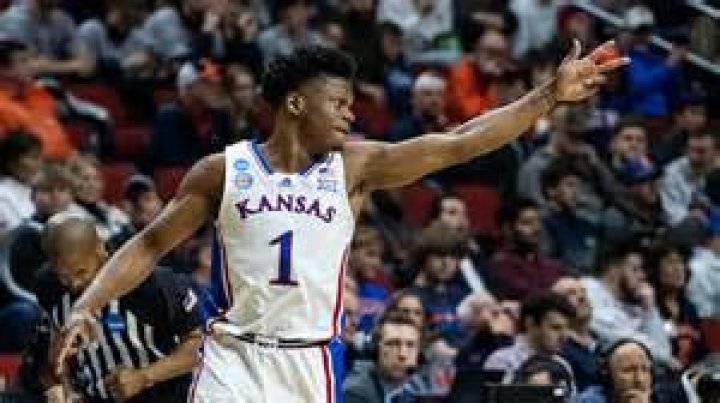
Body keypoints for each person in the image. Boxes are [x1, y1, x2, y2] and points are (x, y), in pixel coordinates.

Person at [55, 43, 626, 401]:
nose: (352, 114)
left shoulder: (355, 167)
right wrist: (86, 306)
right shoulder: (223, 171)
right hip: (232, 357)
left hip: (310, 360)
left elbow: (459, 142)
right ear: (296, 104)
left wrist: (546, 97)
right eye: (340, 103)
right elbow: (149, 244)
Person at [37, 214, 202, 402]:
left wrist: (144, 376)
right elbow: (55, 354)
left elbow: (201, 345)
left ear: (100, 248)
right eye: (64, 276)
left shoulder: (153, 285)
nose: (74, 283)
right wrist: (67, 390)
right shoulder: (49, 288)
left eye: (81, 272)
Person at [582, 243, 674, 366]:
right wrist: (664, 356)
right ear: (613, 269)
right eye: (635, 269)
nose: (642, 276)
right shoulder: (589, 291)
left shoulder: (634, 304)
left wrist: (650, 309)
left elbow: (664, 350)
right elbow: (657, 354)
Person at [484, 291, 575, 383]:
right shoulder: (501, 361)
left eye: (567, 328)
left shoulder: (563, 364)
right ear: (531, 324)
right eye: (556, 328)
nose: (564, 336)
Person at [343, 315, 422, 402]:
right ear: (375, 349)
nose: (402, 354)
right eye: (393, 344)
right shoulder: (355, 392)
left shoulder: (416, 388)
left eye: (410, 345)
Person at [553, 276, 600, 392]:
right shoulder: (557, 349)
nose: (581, 297)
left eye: (583, 291)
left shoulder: (602, 342)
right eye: (571, 293)